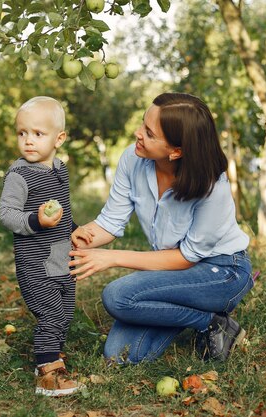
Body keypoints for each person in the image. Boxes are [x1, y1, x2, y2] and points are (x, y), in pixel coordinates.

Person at [69, 92, 254, 364]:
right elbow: (109, 221)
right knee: (122, 355)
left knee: (117, 296)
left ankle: (207, 319)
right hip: (175, 270)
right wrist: (73, 241)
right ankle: (205, 318)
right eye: (142, 124)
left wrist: (112, 258)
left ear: (176, 151)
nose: (137, 133)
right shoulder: (132, 160)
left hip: (222, 271)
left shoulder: (213, 187)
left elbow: (187, 257)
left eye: (149, 132)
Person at [0, 96, 92, 396]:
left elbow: (61, 208)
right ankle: (47, 374)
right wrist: (36, 221)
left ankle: (53, 356)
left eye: (38, 134)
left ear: (59, 139)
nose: (28, 141)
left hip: (62, 260)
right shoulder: (19, 174)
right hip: (36, 264)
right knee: (50, 312)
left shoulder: (59, 169)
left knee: (64, 313)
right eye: (22, 133)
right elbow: (7, 214)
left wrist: (73, 229)